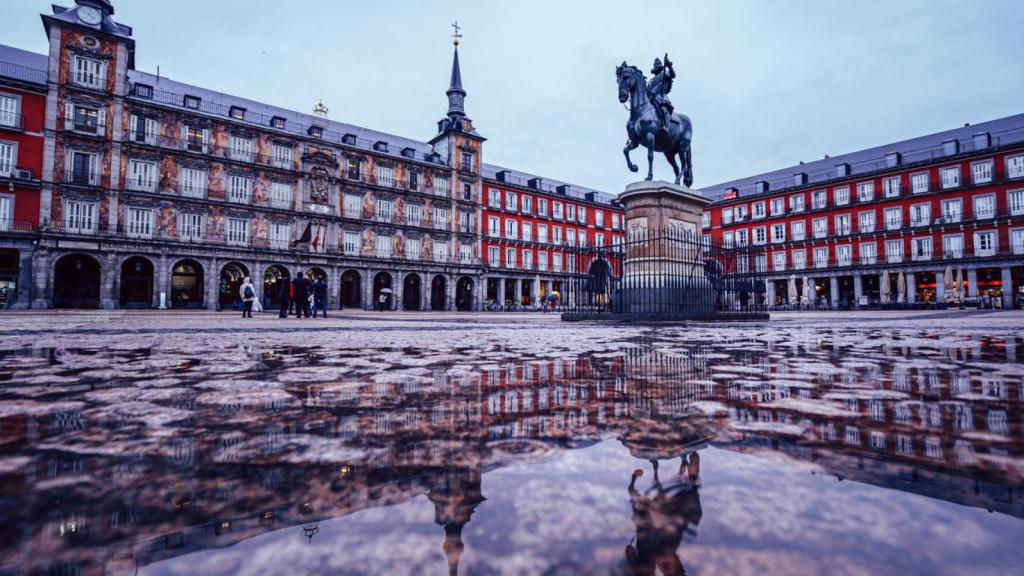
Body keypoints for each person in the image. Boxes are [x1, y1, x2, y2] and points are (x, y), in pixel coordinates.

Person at [647, 54, 676, 136]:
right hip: (650, 99)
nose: (656, 69)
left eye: (657, 67)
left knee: (663, 109)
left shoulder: (664, 74)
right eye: (655, 67)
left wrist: (669, 65)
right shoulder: (651, 81)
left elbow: (673, 75)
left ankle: (666, 127)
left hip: (661, 97)